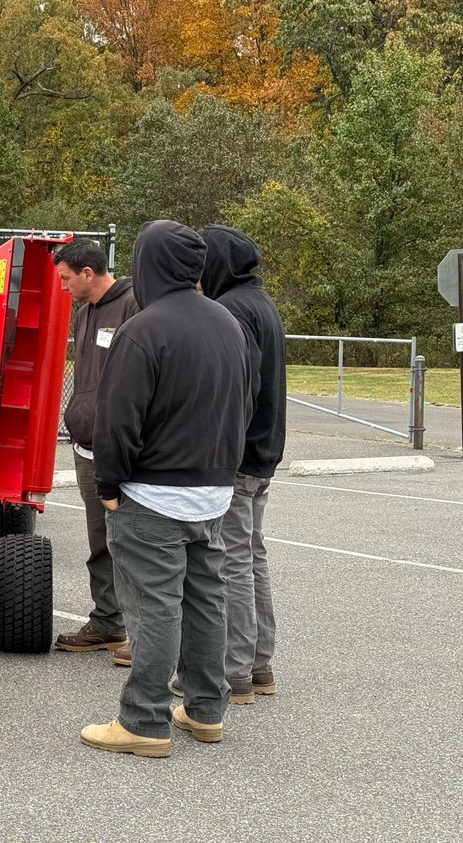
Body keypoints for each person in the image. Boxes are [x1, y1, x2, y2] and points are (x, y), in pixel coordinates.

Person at [79, 220, 251, 758]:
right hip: (213, 490)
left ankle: (144, 720)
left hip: (152, 493)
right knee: (206, 602)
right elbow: (243, 404)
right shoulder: (228, 322)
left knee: (154, 606)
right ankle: (205, 710)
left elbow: (117, 419)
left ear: (149, 263)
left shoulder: (144, 328)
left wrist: (110, 484)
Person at [198, 225, 286, 704]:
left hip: (239, 454)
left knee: (231, 562)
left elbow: (241, 387)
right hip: (265, 451)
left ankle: (235, 674)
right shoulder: (262, 303)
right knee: (252, 556)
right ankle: (260, 665)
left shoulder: (231, 308)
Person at [51, 240, 139, 665]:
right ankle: (108, 622)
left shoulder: (134, 306)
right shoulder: (85, 314)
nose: (62, 286)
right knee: (100, 541)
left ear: (88, 272)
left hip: (120, 447)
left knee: (132, 540)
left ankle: (142, 635)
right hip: (87, 446)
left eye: (65, 278)